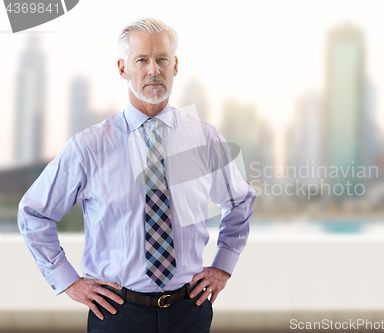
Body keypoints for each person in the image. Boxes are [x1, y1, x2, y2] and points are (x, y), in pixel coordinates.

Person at [17, 17, 256, 333]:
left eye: (162, 59)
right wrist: (69, 281)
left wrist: (223, 267)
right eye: (141, 60)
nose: (153, 69)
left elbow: (240, 201)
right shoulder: (88, 147)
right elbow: (34, 213)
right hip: (116, 313)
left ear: (175, 66)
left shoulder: (205, 138)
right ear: (122, 68)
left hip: (190, 311)